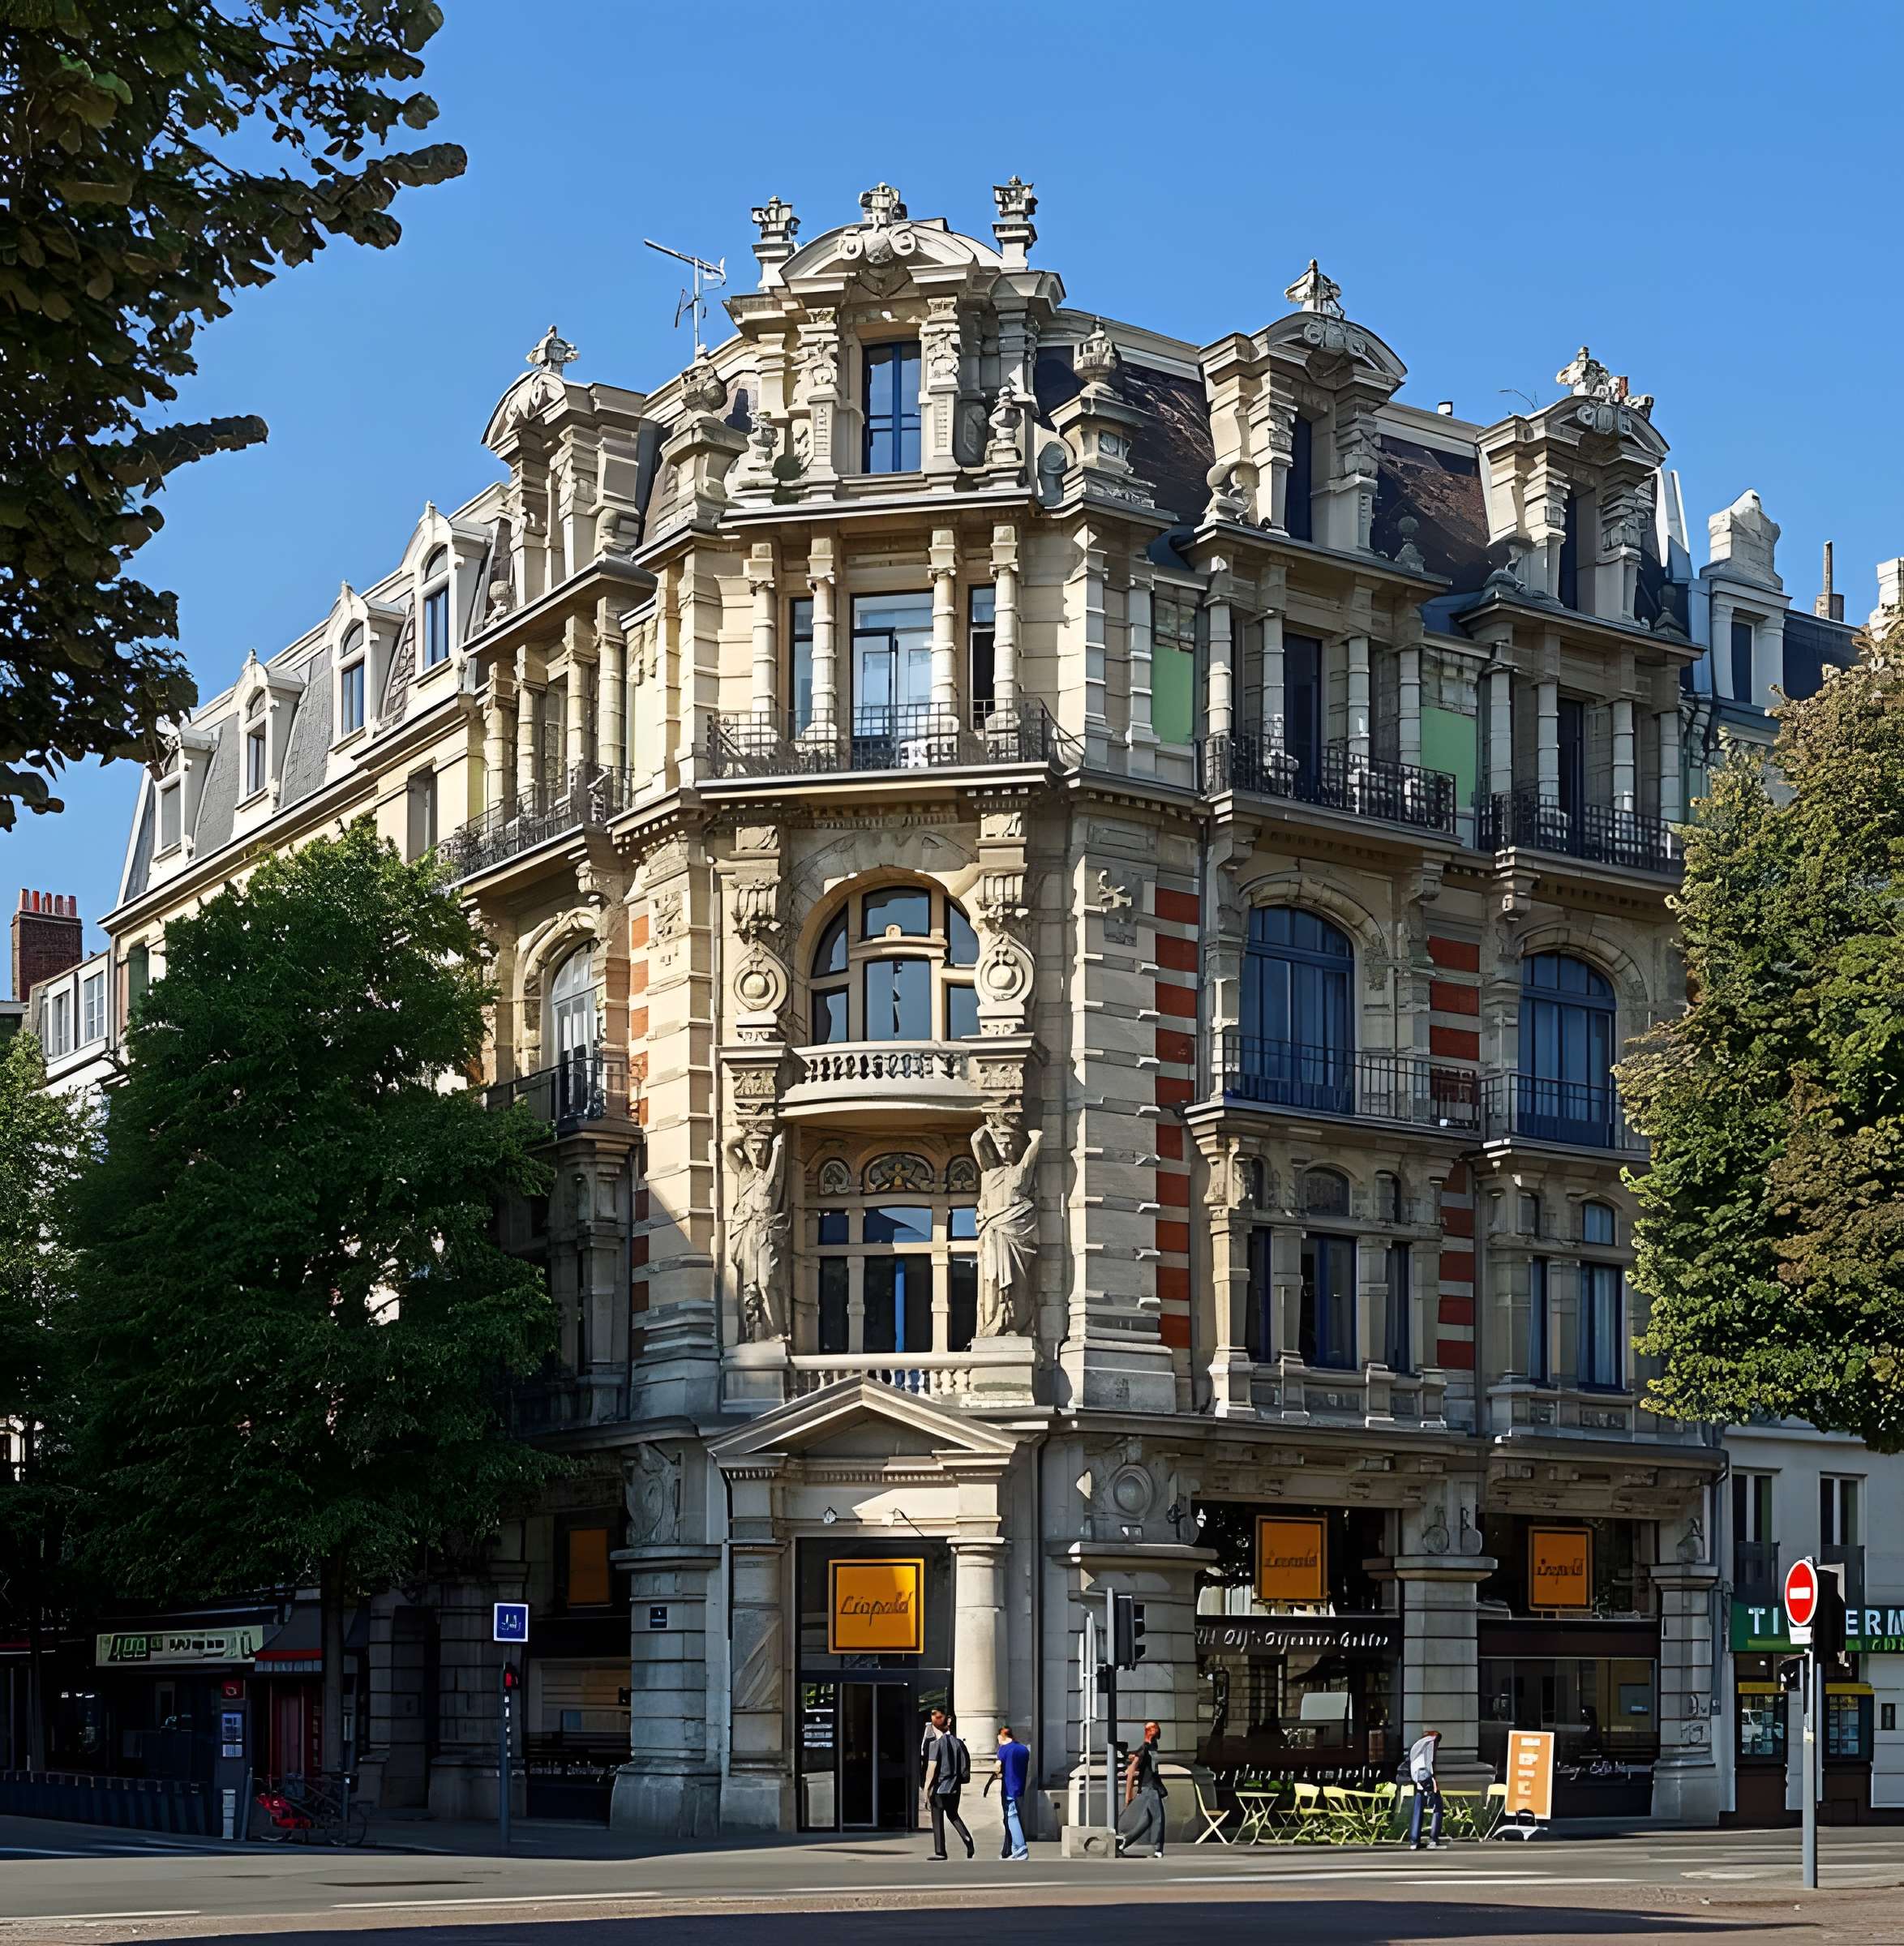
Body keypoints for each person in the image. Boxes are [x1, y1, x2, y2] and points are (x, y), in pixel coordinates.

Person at [923, 1708, 974, 1861]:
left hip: (940, 1787)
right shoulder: (959, 1744)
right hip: (955, 1786)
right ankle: (967, 1839)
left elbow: (931, 1769)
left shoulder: (935, 1745)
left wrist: (926, 1789)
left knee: (937, 1817)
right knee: (953, 1814)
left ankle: (940, 1851)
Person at [1117, 1720, 1168, 1858]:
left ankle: (1123, 1843)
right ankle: (1158, 1848)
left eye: (1154, 1728)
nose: (1153, 1730)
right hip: (1148, 1788)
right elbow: (1131, 1770)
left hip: (1153, 1787)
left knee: (1147, 1820)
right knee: (1158, 1817)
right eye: (1150, 1728)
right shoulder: (1144, 1748)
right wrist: (1128, 1794)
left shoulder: (1153, 1746)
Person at [984, 1724, 1031, 1860]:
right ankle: (1015, 1850)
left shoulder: (1003, 1750)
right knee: (1016, 1815)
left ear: (1001, 1736)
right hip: (1020, 1787)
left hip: (1009, 1788)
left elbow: (997, 1768)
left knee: (1012, 1817)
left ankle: (1021, 1849)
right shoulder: (1023, 1749)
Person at [1408, 1727, 1444, 1849]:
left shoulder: (1419, 1745)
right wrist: (1434, 1781)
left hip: (1418, 1777)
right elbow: (1430, 1763)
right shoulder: (1431, 1743)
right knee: (1438, 1806)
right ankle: (1434, 1839)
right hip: (1426, 1777)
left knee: (1418, 1808)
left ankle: (1414, 1841)